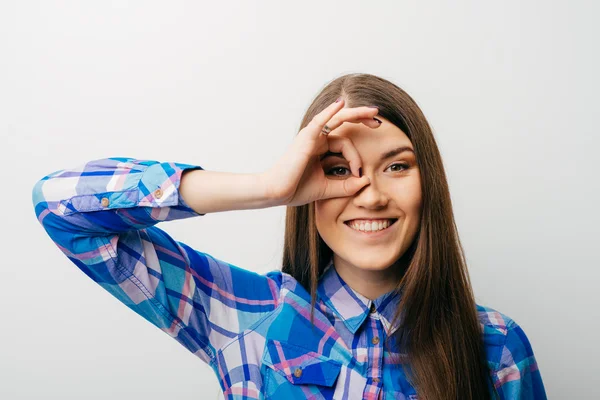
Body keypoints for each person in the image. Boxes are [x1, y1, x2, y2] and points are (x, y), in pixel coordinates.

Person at [32, 73, 547, 400]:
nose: (369, 196)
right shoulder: (247, 317)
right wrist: (266, 188)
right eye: (339, 170)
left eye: (396, 166)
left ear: (427, 182)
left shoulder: (496, 346)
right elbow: (60, 204)